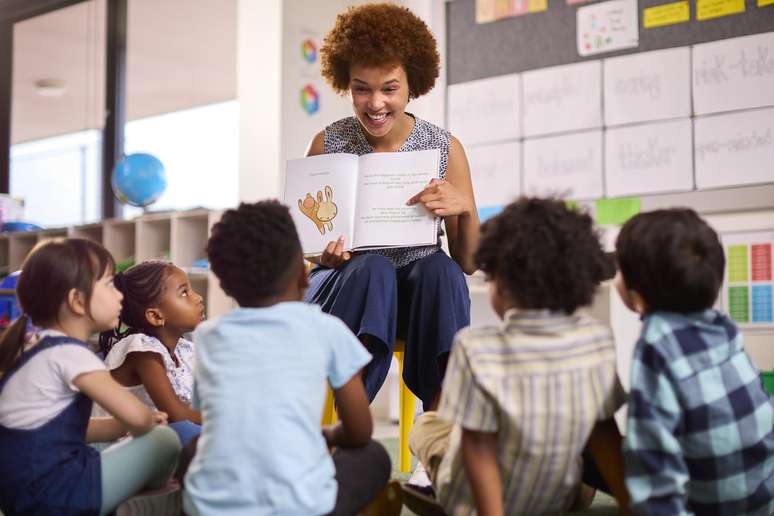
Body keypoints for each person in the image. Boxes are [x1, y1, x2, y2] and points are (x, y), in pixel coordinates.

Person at [304, 2, 479, 412]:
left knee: (442, 270)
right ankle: (353, 421)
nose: (375, 103)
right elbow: (310, 250)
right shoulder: (326, 144)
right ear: (346, 83)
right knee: (373, 268)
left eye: (389, 88)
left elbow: (469, 262)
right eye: (361, 88)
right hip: (348, 292)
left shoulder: (443, 147)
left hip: (416, 299)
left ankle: (440, 423)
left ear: (412, 85)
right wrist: (325, 256)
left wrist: (465, 210)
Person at [407, 198, 631, 516]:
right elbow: (604, 433)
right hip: (558, 497)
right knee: (576, 452)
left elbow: (477, 445)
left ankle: (439, 493)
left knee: (428, 425)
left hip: (478, 500)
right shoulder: (596, 340)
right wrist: (630, 502)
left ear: (497, 279)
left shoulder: (475, 348)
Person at [183, 201, 398, 516]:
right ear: (303, 274)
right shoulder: (326, 329)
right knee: (373, 455)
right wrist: (327, 435)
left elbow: (210, 419)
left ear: (226, 285)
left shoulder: (207, 337)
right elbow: (359, 430)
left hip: (212, 508)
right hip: (300, 507)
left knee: (192, 450)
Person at [0, 238, 180, 516]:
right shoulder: (71, 353)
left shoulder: (35, 350)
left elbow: (68, 430)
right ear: (77, 300)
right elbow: (139, 419)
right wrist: (145, 421)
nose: (119, 295)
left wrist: (120, 428)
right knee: (164, 440)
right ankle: (137, 507)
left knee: (112, 446)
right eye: (109, 284)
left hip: (22, 497)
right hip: (60, 494)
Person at [615, 208, 774, 516]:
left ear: (639, 298)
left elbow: (652, 455)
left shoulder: (656, 344)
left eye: (619, 270)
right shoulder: (722, 328)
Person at [98, 261, 205, 446]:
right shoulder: (141, 351)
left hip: (153, 439)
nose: (198, 298)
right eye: (184, 293)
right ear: (156, 316)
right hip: (118, 447)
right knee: (186, 432)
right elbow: (177, 415)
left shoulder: (184, 349)